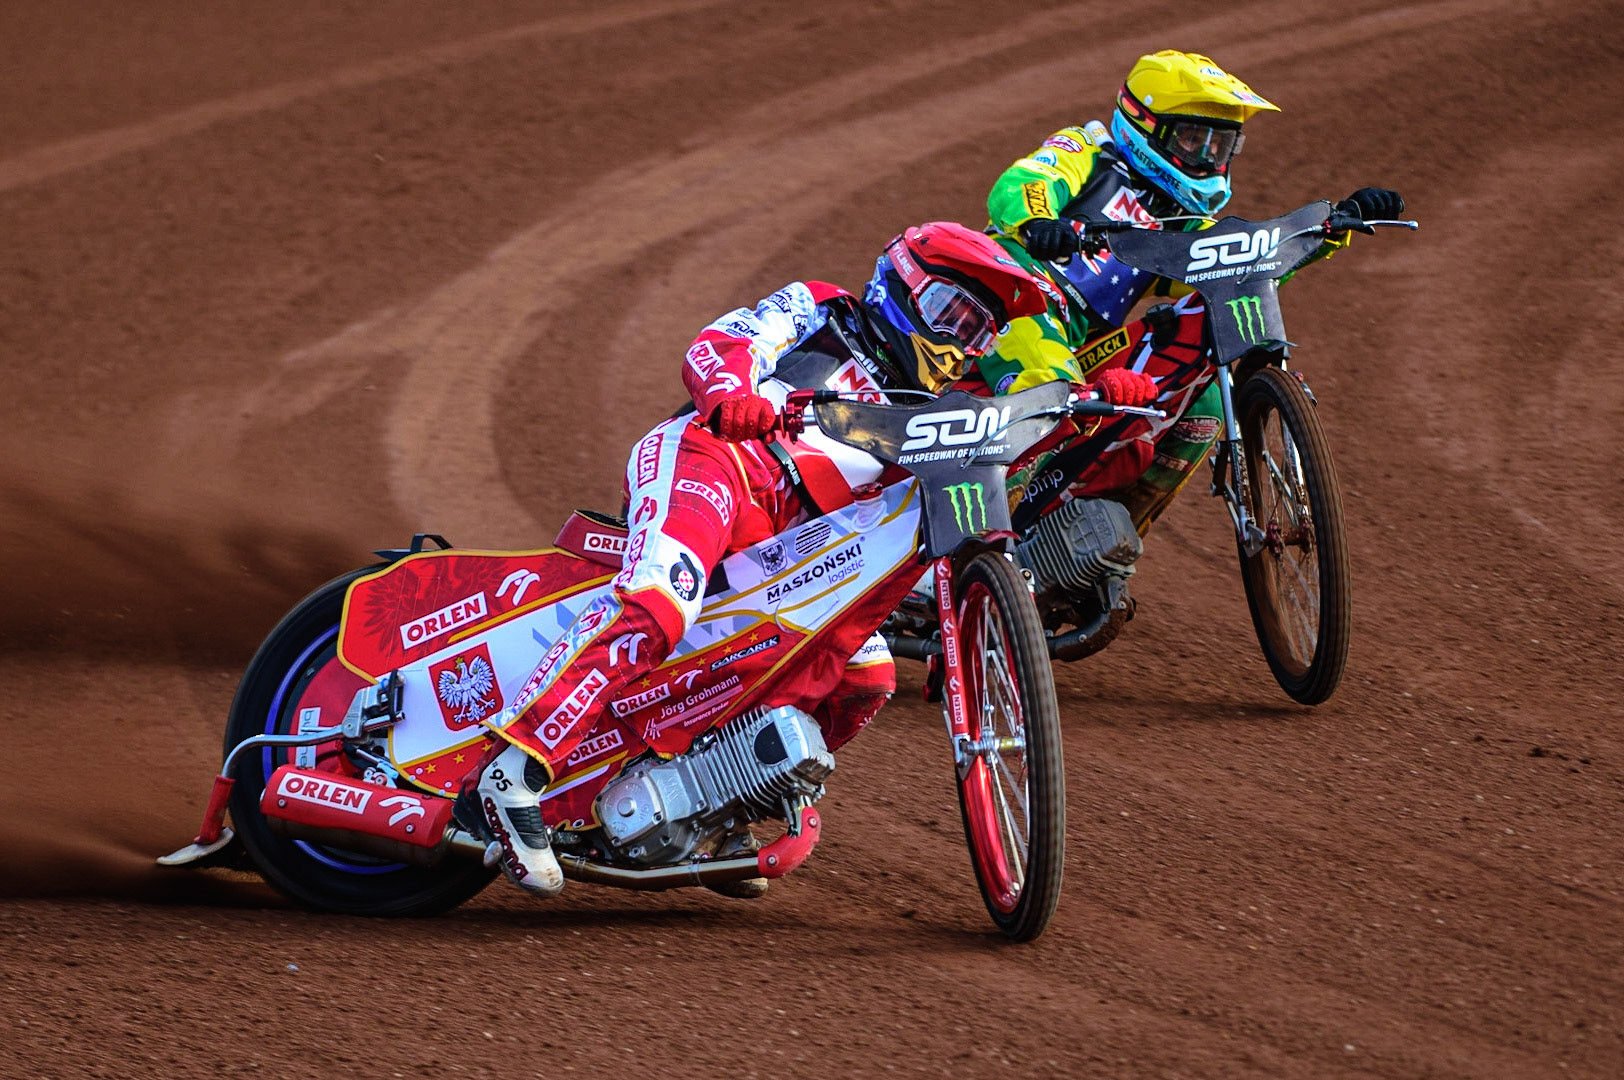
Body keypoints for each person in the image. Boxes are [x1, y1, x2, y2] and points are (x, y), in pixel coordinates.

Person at [462, 222, 1158, 894]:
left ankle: (713, 808)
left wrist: (1093, 405)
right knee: (660, 603)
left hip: (789, 554)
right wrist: (732, 396)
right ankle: (515, 769)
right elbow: (724, 340)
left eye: (976, 331)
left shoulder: (945, 405)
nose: (956, 344)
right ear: (903, 286)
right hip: (717, 464)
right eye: (949, 312)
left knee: (867, 675)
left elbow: (1007, 445)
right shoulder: (824, 307)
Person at [979, 49, 1403, 531]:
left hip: (1085, 348)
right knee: (1051, 384)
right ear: (1145, 124)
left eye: (1219, 146)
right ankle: (984, 541)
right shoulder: (1088, 150)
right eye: (1192, 138)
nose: (1206, 157)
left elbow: (1240, 265)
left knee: (1203, 397)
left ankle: (1108, 548)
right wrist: (1036, 221)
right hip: (1009, 314)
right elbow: (1025, 181)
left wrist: (1332, 227)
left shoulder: (1178, 220)